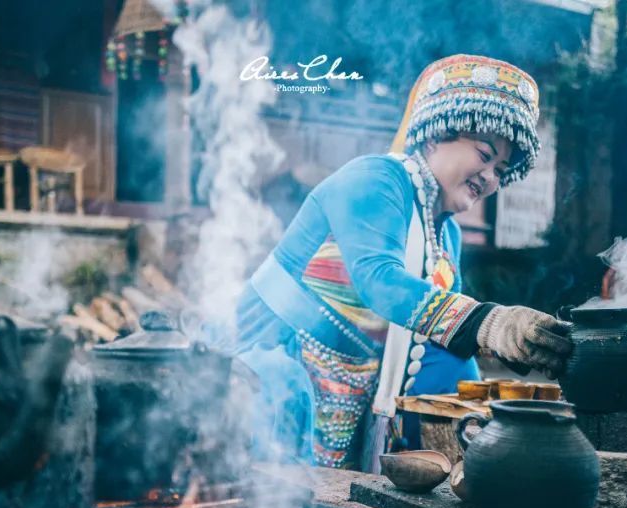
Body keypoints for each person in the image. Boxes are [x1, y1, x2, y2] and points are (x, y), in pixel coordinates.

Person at [235, 54, 572, 470]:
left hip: (358, 395)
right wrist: (489, 323)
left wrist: (499, 369)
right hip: (275, 371)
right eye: (485, 154)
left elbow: (444, 340)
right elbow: (380, 281)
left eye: (501, 170)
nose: (490, 178)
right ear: (434, 137)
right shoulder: (375, 179)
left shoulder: (445, 232)